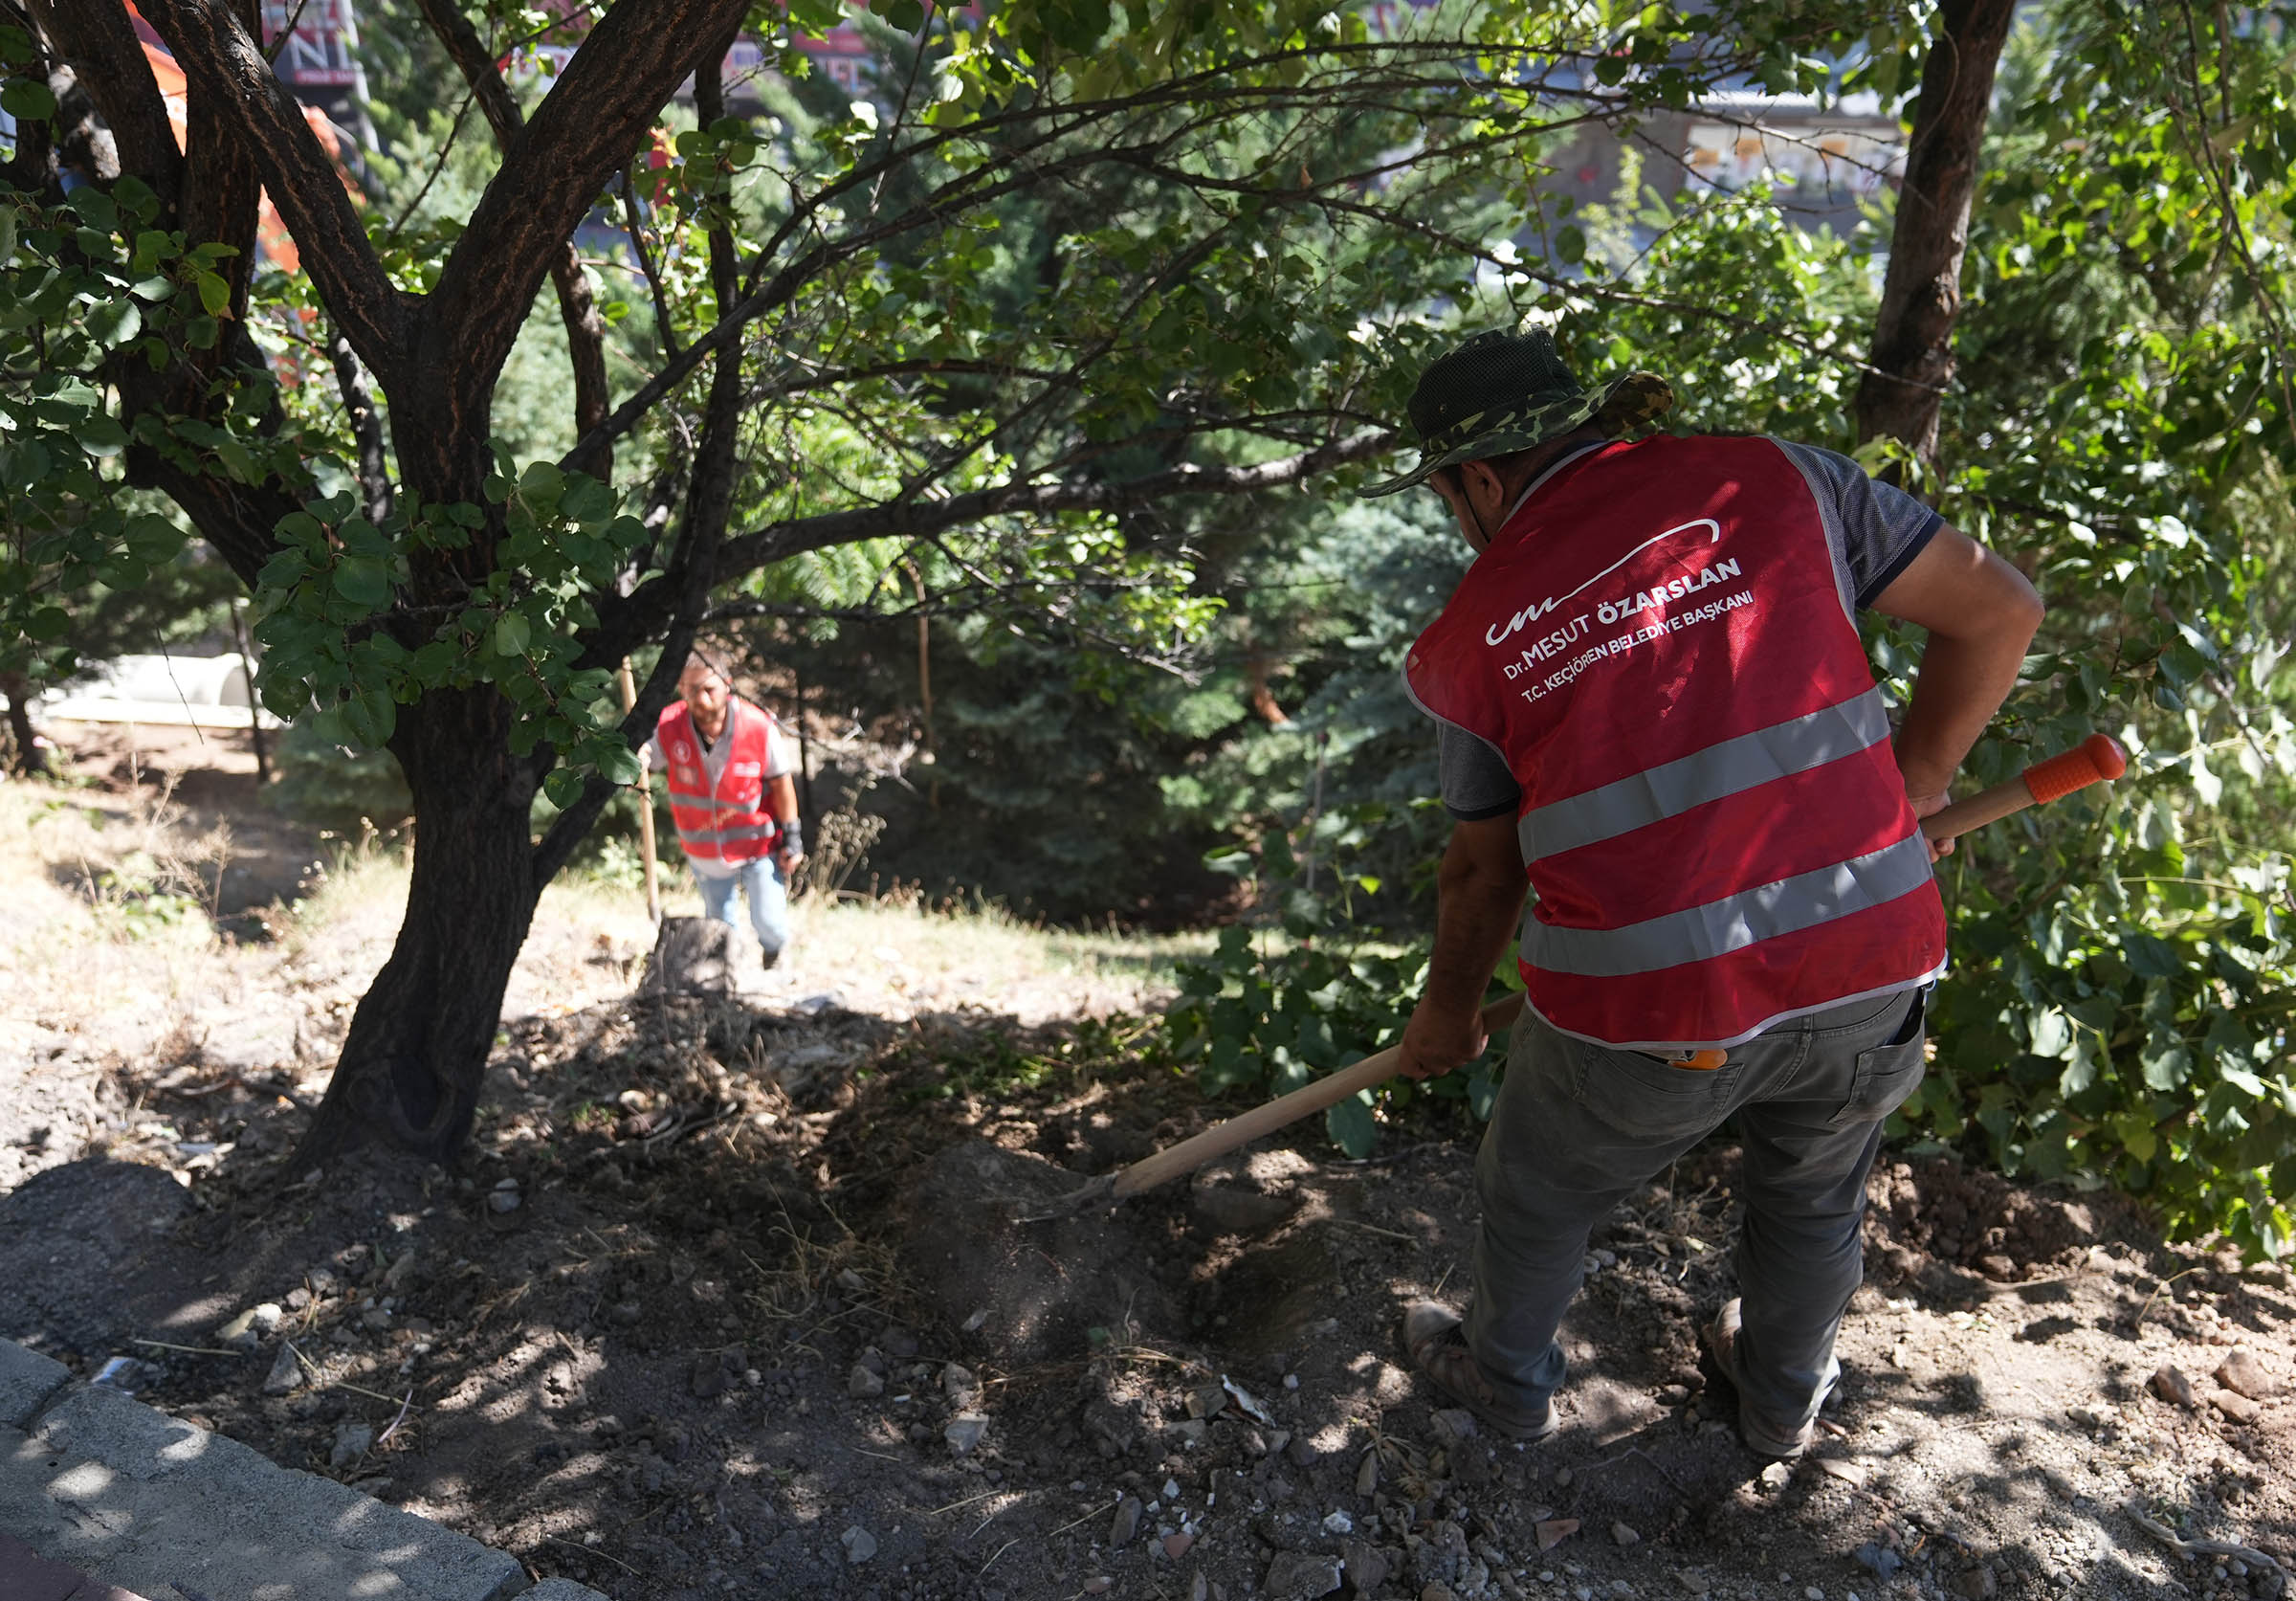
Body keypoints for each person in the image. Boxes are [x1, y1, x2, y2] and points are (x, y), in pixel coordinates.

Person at [1371, 326, 2043, 1457]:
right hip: (1870, 951)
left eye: (1448, 495)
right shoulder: (1779, 477)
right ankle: (1783, 1398)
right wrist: (1914, 785)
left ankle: (1503, 1383)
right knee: (1816, 1190)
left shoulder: (1469, 634)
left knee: (1537, 1187)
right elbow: (2001, 607)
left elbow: (1485, 871)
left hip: (1650, 1012)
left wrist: (1445, 1015)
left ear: (1478, 479)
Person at [641, 651, 805, 968]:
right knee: (719, 922)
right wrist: (637, 757)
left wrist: (793, 835)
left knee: (770, 920)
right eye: (690, 690)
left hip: (757, 845)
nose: (700, 699)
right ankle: (727, 974)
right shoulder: (669, 725)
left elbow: (782, 783)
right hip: (703, 847)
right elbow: (647, 757)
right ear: (680, 688)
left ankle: (774, 954)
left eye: (709, 689)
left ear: (727, 685)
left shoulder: (758, 726)